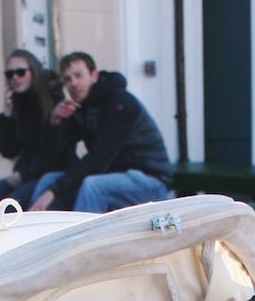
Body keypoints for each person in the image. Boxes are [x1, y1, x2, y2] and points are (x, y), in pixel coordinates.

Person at [27, 52, 173, 213]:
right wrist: (55, 122)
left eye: (78, 75)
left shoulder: (120, 102)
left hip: (150, 181)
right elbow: (57, 156)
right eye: (67, 79)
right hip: (110, 175)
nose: (73, 83)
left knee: (93, 187)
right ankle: (39, 235)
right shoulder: (79, 107)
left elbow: (98, 160)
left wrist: (53, 191)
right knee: (49, 179)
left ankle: (83, 239)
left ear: (94, 75)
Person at [0, 50, 71, 215]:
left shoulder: (52, 100)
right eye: (10, 74)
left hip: (50, 173)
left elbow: (56, 153)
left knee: (9, 211)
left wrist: (25, 174)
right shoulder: (18, 102)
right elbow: (8, 150)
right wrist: (8, 114)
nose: (15, 78)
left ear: (33, 72)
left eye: (20, 72)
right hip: (24, 174)